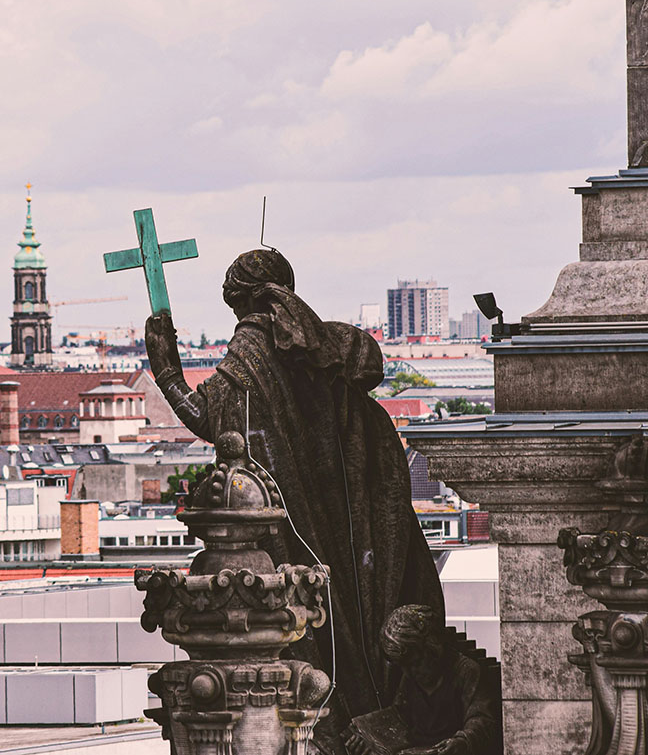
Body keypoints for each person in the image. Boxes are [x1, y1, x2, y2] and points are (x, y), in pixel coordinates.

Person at [145, 248, 445, 742]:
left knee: (307, 628)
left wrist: (167, 369)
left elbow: (212, 419)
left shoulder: (251, 350)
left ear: (238, 302)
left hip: (292, 521)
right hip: (345, 523)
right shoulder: (320, 345)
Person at [345, 605, 501, 755]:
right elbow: (400, 717)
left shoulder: (466, 671)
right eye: (403, 666)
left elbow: (482, 719)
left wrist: (462, 741)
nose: (408, 672)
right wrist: (367, 735)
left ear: (432, 649)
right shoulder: (411, 678)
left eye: (414, 663)